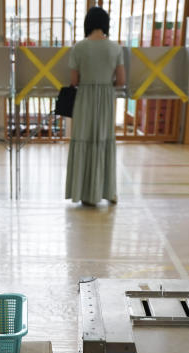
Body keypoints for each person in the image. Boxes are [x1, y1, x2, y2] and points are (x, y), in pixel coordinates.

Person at [65, 6, 125, 206]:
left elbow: (74, 81)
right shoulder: (115, 48)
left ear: (87, 24)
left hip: (84, 98)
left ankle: (82, 193)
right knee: (103, 142)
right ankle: (107, 192)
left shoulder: (78, 48)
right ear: (106, 24)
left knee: (83, 140)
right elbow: (121, 81)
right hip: (106, 98)